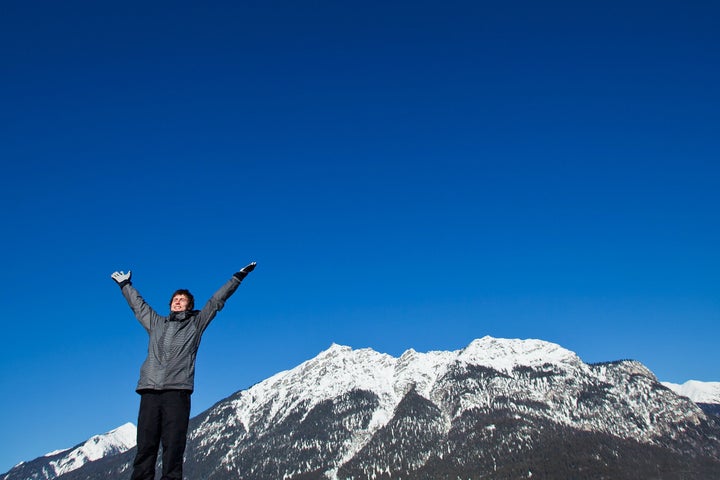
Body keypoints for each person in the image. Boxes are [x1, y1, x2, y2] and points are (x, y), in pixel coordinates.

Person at [110, 263, 256, 480]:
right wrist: (125, 285)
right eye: (175, 299)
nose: (178, 301)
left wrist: (237, 277)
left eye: (182, 299)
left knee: (174, 445)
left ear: (189, 305)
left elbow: (216, 302)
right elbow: (138, 306)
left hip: (177, 392)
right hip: (149, 391)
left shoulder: (195, 325)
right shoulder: (156, 323)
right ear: (170, 304)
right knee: (146, 445)